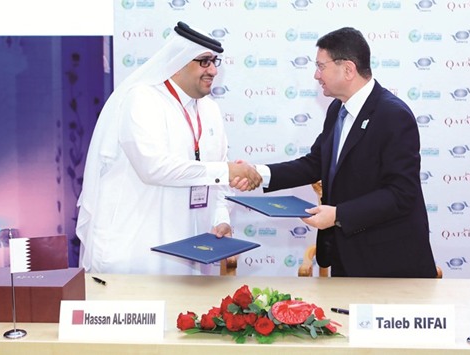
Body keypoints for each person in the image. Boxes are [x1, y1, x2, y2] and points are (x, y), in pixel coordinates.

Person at [76, 21, 261, 275]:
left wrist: (221, 219)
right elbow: (153, 168)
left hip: (188, 253)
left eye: (214, 62)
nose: (213, 71)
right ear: (178, 62)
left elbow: (218, 178)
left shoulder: (210, 110)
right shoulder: (142, 99)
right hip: (135, 252)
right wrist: (226, 170)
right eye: (204, 61)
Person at [254, 27, 437, 278]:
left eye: (321, 66)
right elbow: (315, 163)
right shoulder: (336, 110)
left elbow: (401, 194)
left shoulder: (393, 115)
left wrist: (338, 214)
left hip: (388, 263)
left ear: (348, 69)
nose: (316, 75)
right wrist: (258, 174)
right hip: (347, 256)